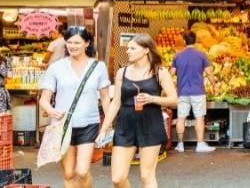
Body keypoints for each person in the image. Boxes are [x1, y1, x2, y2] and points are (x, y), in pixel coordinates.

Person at [97, 33, 178, 188]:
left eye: (132, 48)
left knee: (146, 176)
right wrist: (104, 128)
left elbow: (174, 100)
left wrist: (153, 99)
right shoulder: (122, 73)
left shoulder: (160, 72)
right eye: (128, 48)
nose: (128, 51)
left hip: (150, 124)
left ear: (146, 50)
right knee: (117, 178)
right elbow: (115, 103)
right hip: (125, 125)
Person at [38, 26, 111, 188]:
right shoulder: (56, 67)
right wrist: (51, 110)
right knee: (69, 173)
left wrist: (107, 126)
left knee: (83, 171)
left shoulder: (98, 67)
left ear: (86, 43)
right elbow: (44, 99)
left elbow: (106, 98)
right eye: (69, 42)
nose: (72, 46)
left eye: (77, 42)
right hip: (63, 125)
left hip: (89, 124)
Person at [170, 30, 218, 153]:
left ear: (184, 41)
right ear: (195, 41)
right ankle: (200, 144)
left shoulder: (177, 55)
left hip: (182, 92)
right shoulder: (201, 55)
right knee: (199, 118)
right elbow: (209, 72)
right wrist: (214, 85)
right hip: (198, 91)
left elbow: (171, 74)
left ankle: (180, 145)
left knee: (181, 117)